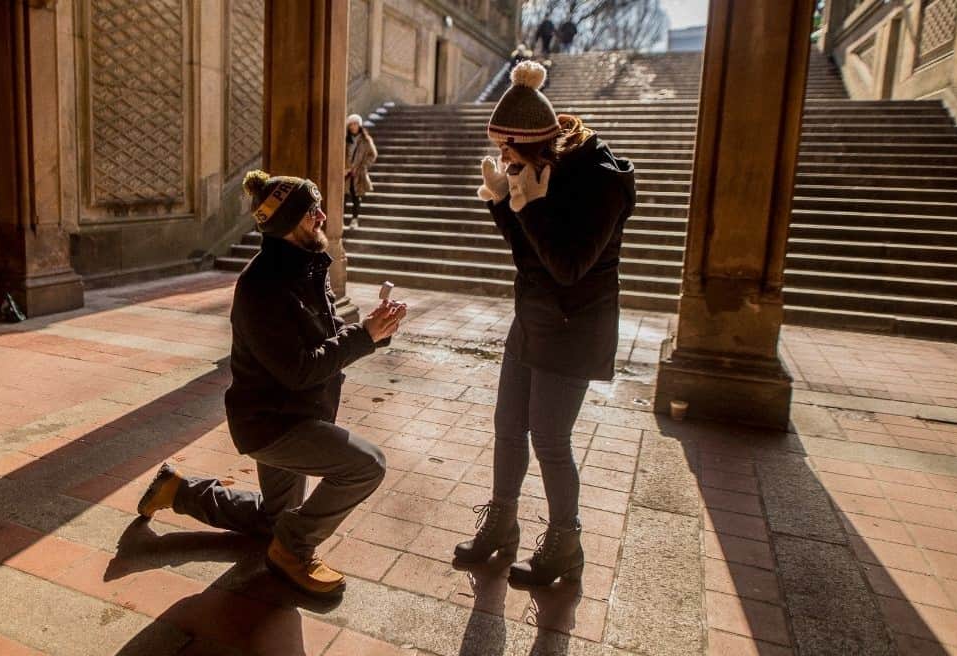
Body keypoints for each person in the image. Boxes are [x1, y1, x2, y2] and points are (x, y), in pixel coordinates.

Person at [138, 170, 407, 597]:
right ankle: (293, 549)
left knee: (273, 517)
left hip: (298, 414)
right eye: (310, 212)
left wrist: (375, 328)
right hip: (274, 426)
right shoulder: (261, 287)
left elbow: (331, 336)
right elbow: (298, 370)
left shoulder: (307, 265)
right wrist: (365, 336)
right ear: (286, 226)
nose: (321, 215)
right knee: (366, 465)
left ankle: (179, 491)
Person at [453, 60, 635, 587]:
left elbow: (569, 266)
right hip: (533, 316)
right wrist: (502, 205)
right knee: (508, 427)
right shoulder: (530, 170)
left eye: (508, 150)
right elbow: (527, 257)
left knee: (551, 439)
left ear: (533, 142)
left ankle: (565, 543)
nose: (502, 158)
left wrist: (527, 206)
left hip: (576, 325)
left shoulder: (598, 184)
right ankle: (501, 526)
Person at [344, 114, 377, 230]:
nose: (353, 126)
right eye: (351, 124)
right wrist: (344, 168)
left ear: (360, 125)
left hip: (358, 173)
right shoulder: (345, 140)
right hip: (346, 173)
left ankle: (354, 220)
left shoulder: (366, 140)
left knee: (356, 196)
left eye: (355, 124)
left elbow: (372, 155)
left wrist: (363, 167)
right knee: (343, 197)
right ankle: (340, 221)